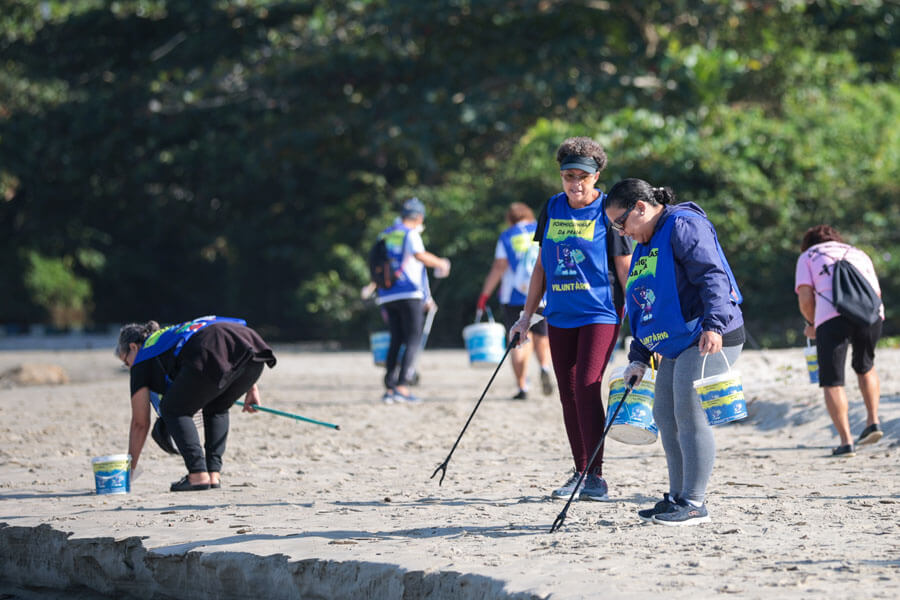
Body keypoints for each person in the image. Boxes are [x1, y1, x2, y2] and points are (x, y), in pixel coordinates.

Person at [604, 178, 745, 526]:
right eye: (614, 227)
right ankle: (678, 496)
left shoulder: (683, 225)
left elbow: (712, 276)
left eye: (621, 223)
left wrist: (714, 324)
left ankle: (695, 502)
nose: (621, 232)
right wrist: (638, 355)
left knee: (688, 412)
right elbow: (643, 301)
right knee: (665, 413)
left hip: (710, 334)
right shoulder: (645, 241)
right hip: (675, 342)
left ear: (641, 207)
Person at [509, 137, 632, 502]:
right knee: (568, 392)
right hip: (560, 313)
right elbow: (542, 265)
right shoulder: (552, 207)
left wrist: (641, 319)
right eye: (568, 176)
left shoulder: (609, 210)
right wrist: (526, 317)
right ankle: (581, 471)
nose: (575, 183)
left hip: (601, 311)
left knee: (586, 383)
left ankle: (595, 476)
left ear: (597, 176)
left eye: (583, 176)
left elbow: (625, 267)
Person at [115, 316, 276, 491]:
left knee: (173, 410)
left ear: (133, 347)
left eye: (126, 362)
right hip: (252, 349)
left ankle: (198, 475)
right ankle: (213, 475)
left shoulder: (143, 356)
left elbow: (140, 423)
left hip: (216, 350)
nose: (129, 367)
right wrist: (251, 388)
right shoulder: (168, 337)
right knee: (217, 407)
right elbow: (224, 338)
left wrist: (128, 471)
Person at [794, 224, 884, 457]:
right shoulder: (858, 252)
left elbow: (805, 298)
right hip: (871, 315)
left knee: (832, 380)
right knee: (866, 366)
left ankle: (846, 442)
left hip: (831, 317)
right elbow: (876, 292)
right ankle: (873, 421)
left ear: (808, 243)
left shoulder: (808, 256)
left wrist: (812, 323)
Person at [375, 197, 451, 404]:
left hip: (387, 294)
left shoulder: (386, 234)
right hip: (409, 294)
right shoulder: (411, 234)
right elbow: (420, 257)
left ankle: (389, 388)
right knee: (413, 340)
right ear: (419, 217)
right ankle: (402, 387)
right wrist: (441, 263)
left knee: (396, 339)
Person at [477, 202, 554, 400]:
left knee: (518, 340)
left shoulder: (507, 236)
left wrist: (484, 295)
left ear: (509, 219)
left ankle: (522, 387)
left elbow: (499, 267)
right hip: (542, 294)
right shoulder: (542, 228)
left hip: (514, 297)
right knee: (541, 336)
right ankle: (544, 366)